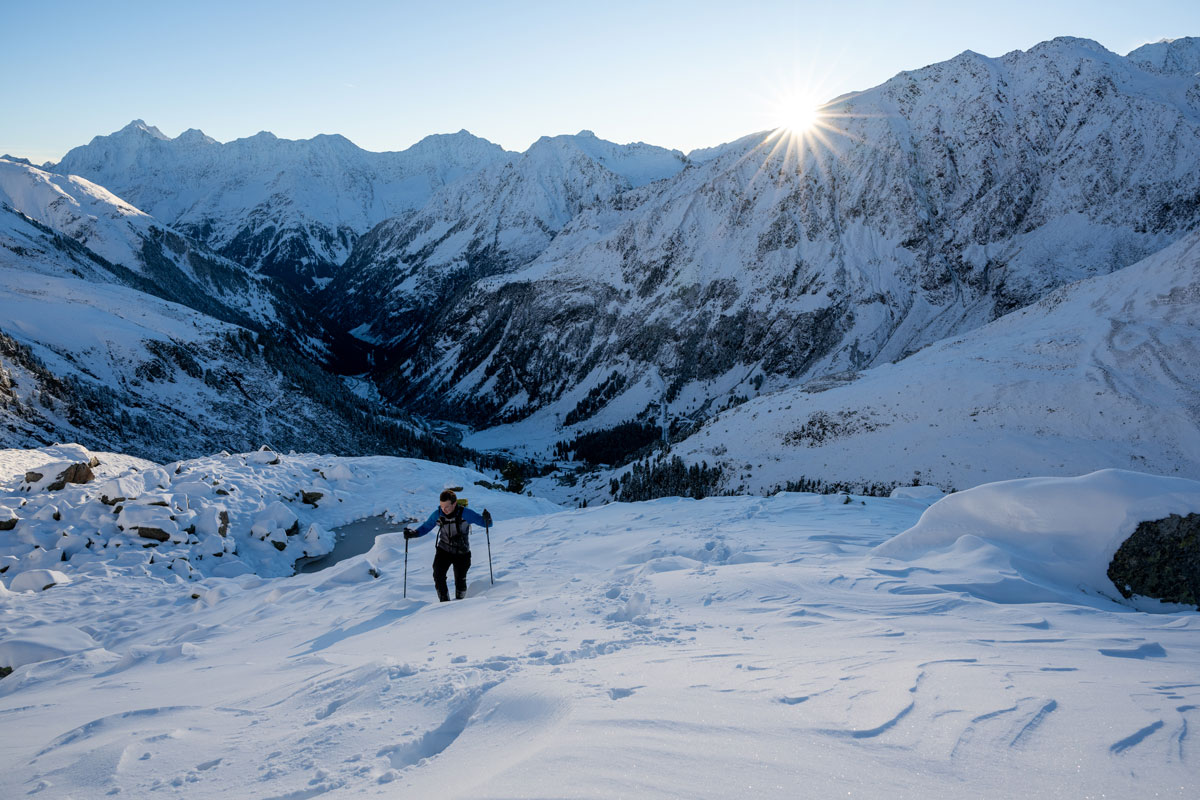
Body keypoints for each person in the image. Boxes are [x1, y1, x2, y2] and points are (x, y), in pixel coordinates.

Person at [404, 489, 492, 601]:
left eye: (447, 506)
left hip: (462, 552)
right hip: (443, 550)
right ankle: (444, 604)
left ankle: (461, 603)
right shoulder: (438, 514)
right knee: (438, 575)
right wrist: (413, 533)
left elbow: (488, 524)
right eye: (441, 506)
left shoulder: (466, 513)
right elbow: (426, 527)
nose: (443, 509)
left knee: (460, 580)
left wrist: (487, 519)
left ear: (454, 504)